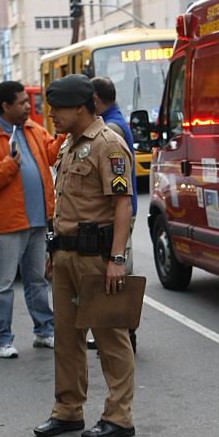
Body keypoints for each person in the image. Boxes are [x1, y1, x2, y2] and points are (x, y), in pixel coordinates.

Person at [33, 74, 135, 437]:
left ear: (79, 107)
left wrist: (117, 258)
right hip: (65, 255)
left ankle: (119, 416)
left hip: (96, 258)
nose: (52, 116)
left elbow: (122, 204)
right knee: (67, 337)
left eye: (57, 109)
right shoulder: (67, 145)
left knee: (110, 338)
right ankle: (68, 410)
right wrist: (52, 249)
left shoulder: (108, 144)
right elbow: (64, 204)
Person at [0, 81, 58, 358]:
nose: (28, 106)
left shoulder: (32, 128)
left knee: (38, 281)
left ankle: (44, 331)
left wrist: (66, 134)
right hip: (7, 223)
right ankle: (2, 339)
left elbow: (52, 154)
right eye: (21, 102)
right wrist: (9, 166)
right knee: (3, 285)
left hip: (38, 219)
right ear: (5, 106)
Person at [91, 76, 139, 352]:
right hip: (123, 206)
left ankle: (125, 336)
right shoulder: (116, 120)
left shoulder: (111, 129)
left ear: (95, 100)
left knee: (120, 272)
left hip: (119, 209)